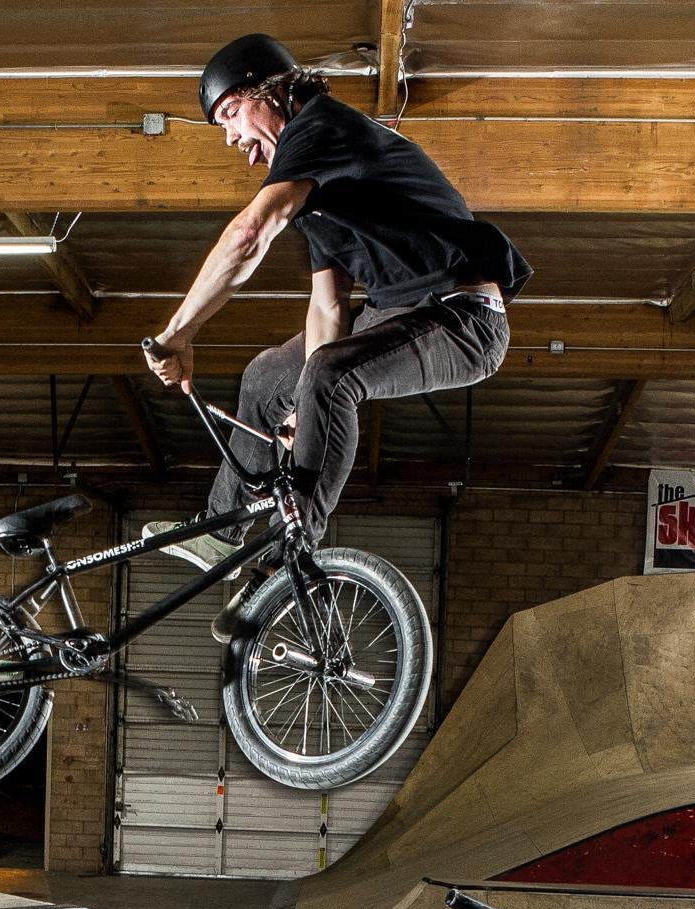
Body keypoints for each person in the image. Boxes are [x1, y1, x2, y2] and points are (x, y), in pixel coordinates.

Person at [142, 33, 531, 639]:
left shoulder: (323, 128)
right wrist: (300, 403)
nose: (232, 140)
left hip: (463, 319)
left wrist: (177, 333)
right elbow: (328, 308)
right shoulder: (318, 191)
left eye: (230, 116)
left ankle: (295, 548)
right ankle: (224, 535)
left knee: (331, 375)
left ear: (269, 92)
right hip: (395, 316)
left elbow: (249, 235)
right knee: (271, 376)